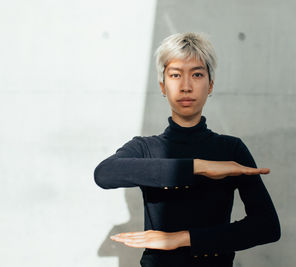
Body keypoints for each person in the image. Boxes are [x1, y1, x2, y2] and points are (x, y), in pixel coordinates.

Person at [94, 32, 281, 267]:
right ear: (163, 86)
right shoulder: (144, 147)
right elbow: (104, 173)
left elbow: (267, 227)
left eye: (197, 74)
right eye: (175, 75)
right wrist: (199, 167)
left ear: (210, 84)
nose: (185, 86)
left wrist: (182, 238)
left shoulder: (230, 149)